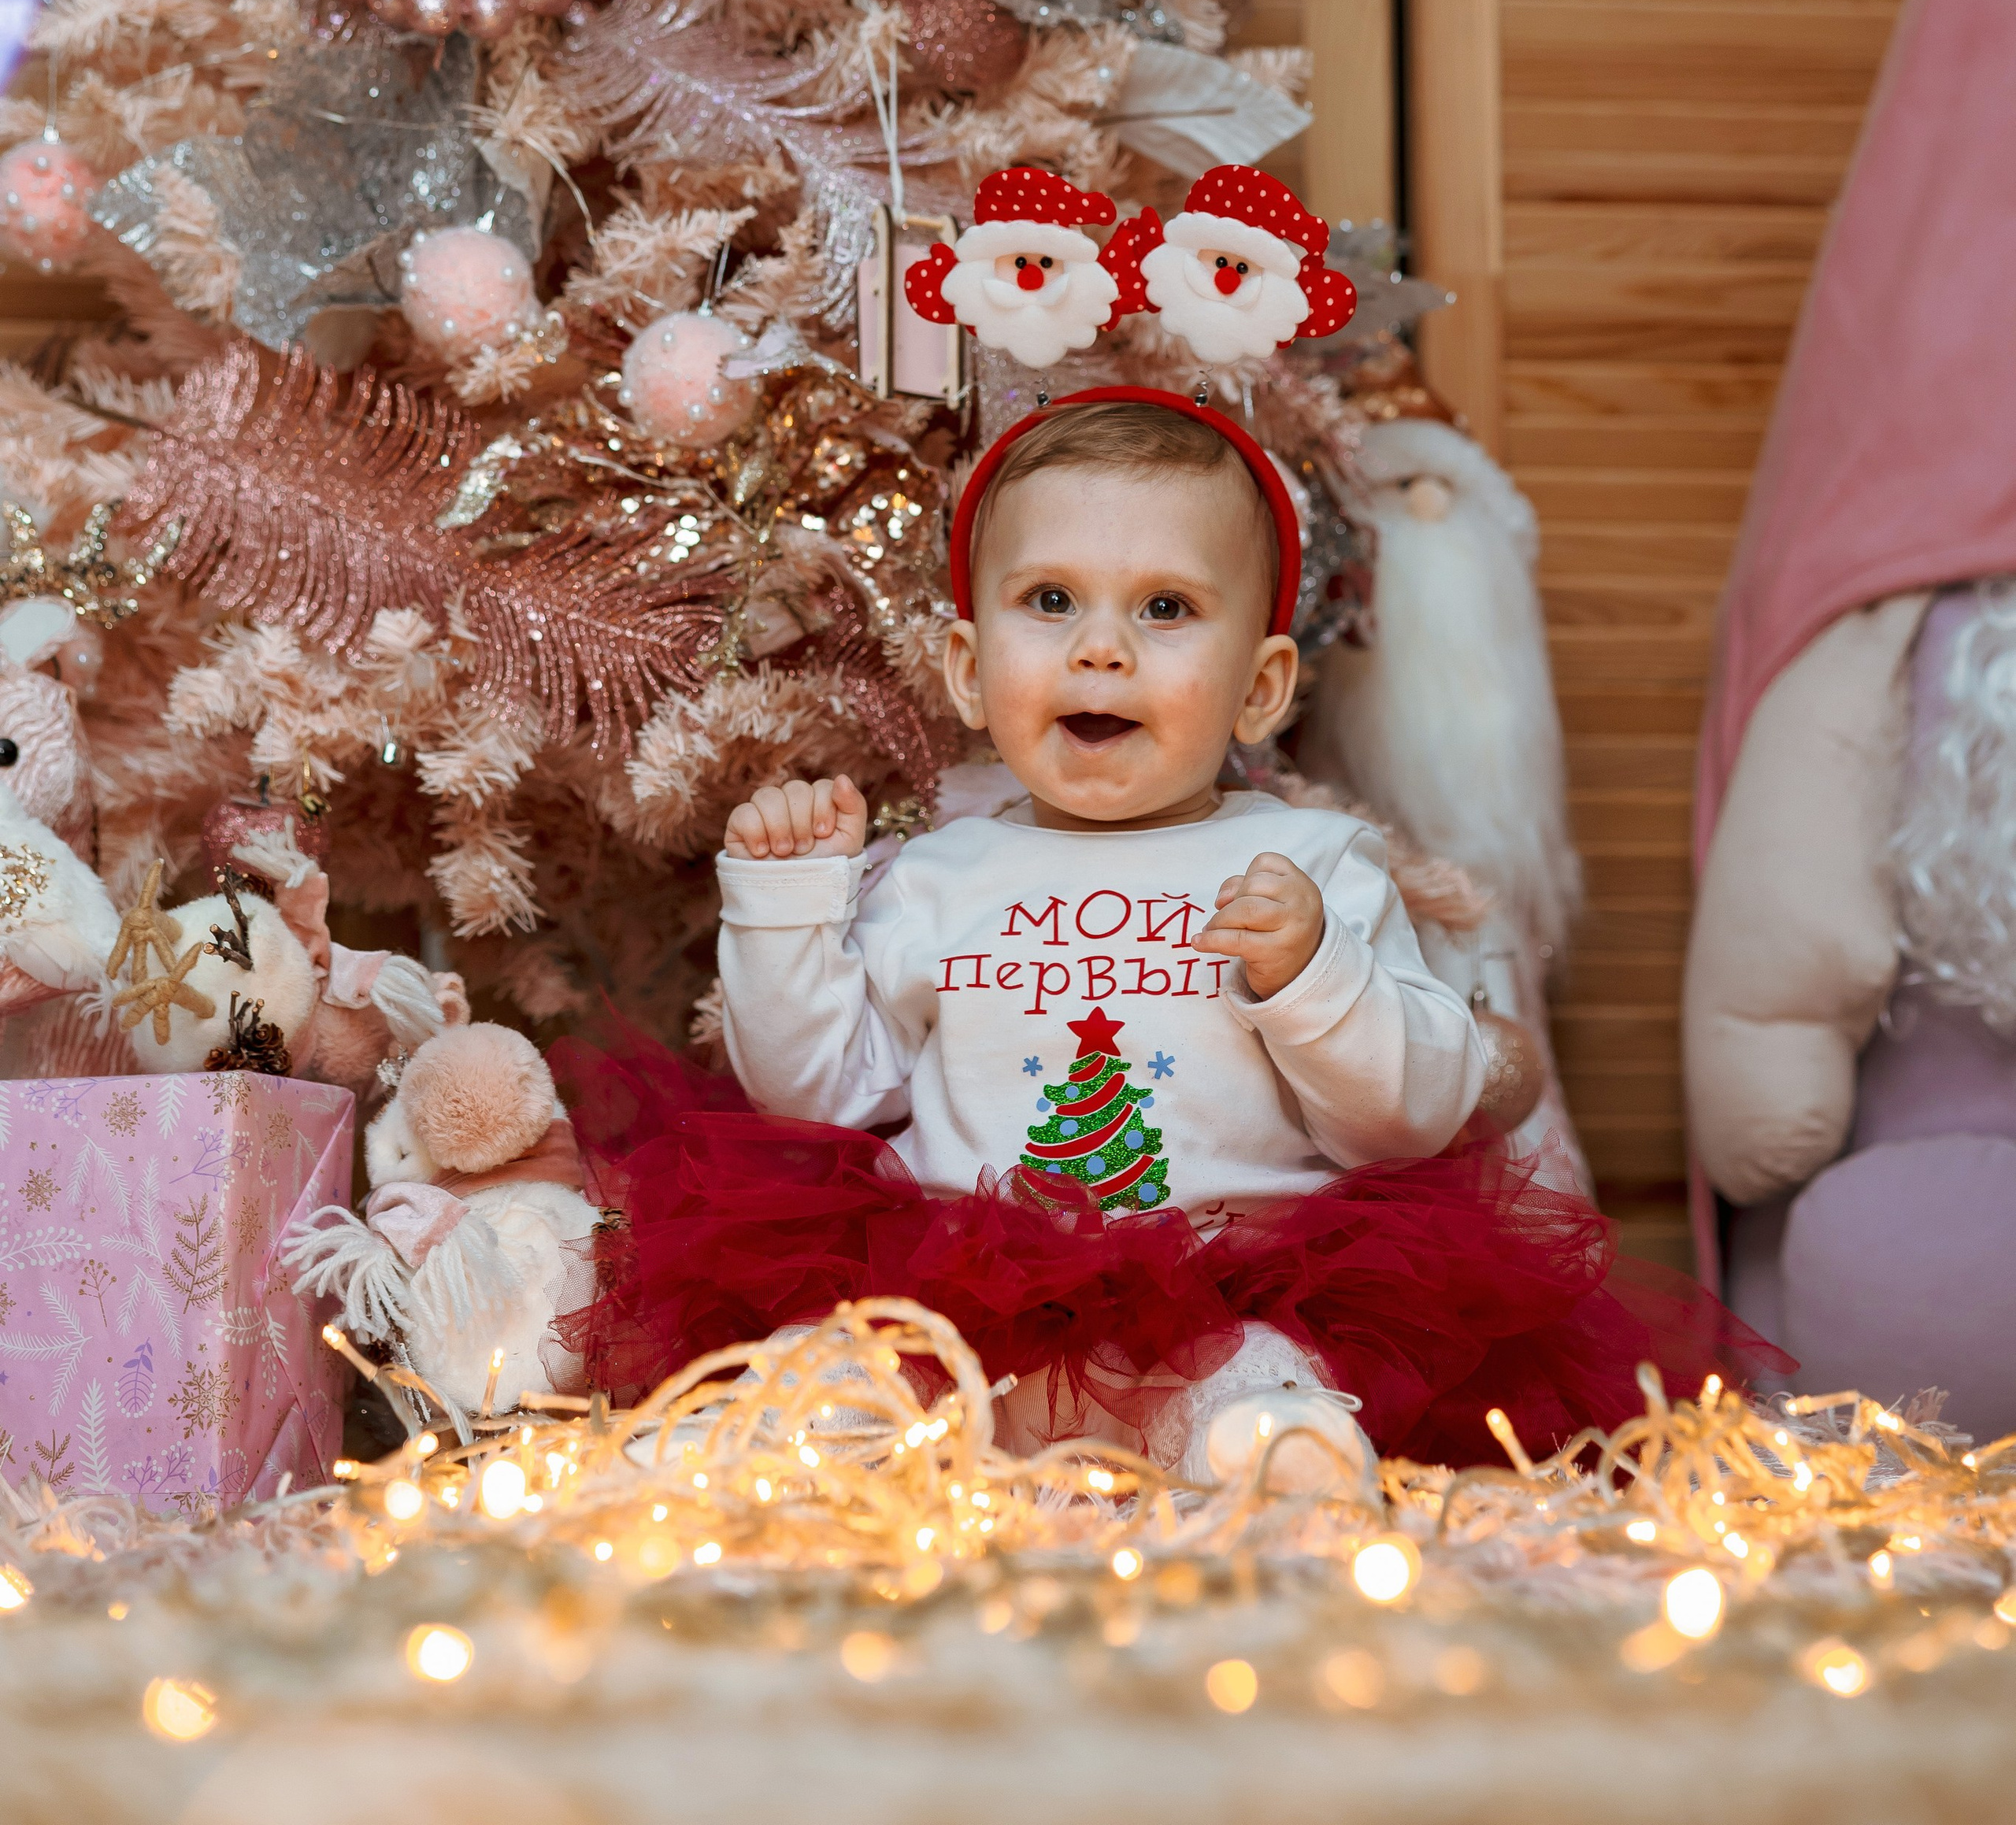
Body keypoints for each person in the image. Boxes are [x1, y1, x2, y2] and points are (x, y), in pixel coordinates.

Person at [562, 356, 1781, 1472]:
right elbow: (818, 1094)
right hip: (964, 1298)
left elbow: (1408, 1117)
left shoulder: (1315, 861)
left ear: (1259, 689)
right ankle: (800, 1452)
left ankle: (1277, 1458)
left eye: (1164, 610)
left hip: (1235, 1293)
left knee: (1267, 1389)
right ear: (965, 670)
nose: (1101, 650)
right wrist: (784, 911)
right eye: (1050, 601)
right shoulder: (936, 873)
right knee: (851, 1380)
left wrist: (1314, 974)